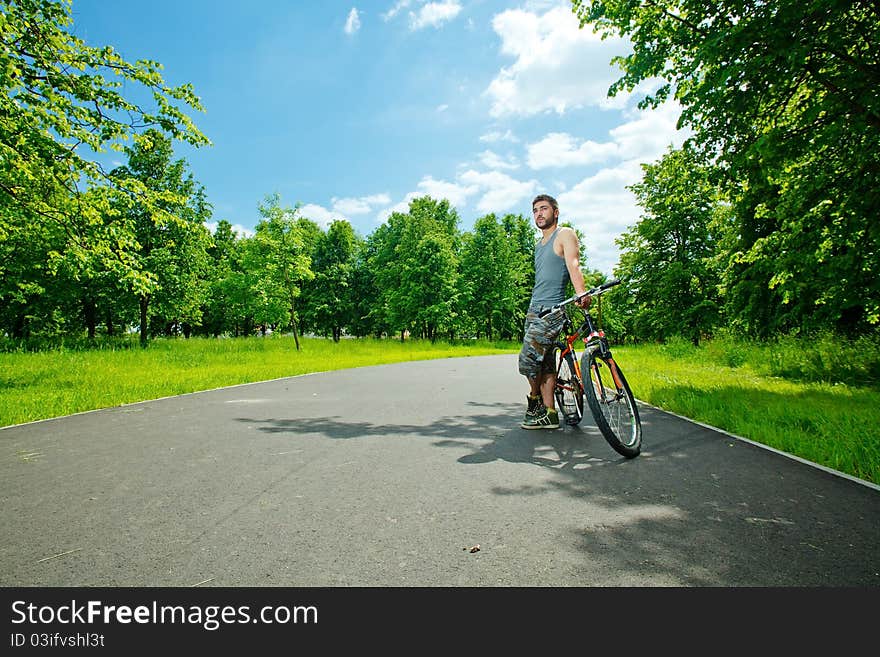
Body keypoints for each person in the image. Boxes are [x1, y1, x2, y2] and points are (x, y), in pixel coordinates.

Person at [518, 194, 590, 429]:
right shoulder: (538, 246)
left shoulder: (565, 234)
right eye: (535, 210)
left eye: (544, 209)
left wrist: (581, 292)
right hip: (533, 309)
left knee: (527, 360)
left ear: (555, 212)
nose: (539, 213)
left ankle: (534, 401)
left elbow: (573, 264)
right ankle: (550, 413)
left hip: (552, 309)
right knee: (545, 362)